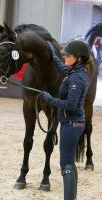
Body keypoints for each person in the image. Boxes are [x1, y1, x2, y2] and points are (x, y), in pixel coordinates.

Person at [43, 40, 90, 200]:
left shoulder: (76, 78)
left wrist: (50, 99)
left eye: (67, 55)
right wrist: (53, 55)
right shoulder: (75, 72)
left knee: (66, 164)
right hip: (70, 122)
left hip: (71, 123)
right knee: (69, 162)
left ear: (79, 58)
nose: (64, 57)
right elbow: (62, 68)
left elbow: (70, 104)